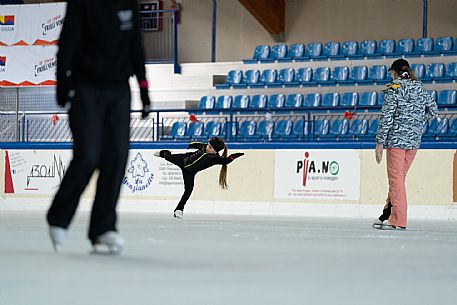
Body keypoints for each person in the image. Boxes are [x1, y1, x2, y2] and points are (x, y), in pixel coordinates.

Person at [46, 0, 151, 254]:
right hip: (86, 88)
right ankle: (58, 217)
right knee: (89, 155)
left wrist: (144, 90)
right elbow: (68, 41)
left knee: (116, 157)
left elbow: (135, 45)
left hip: (119, 90)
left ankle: (103, 228)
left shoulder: (129, 3)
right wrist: (62, 84)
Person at [373, 58, 438, 230]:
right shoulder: (420, 88)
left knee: (395, 180)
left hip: (396, 141)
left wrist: (380, 143)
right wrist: (418, 121)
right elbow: (434, 110)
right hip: (414, 141)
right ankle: (387, 213)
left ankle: (398, 220)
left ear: (394, 73)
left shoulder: (394, 90)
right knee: (399, 179)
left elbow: (386, 118)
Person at [154, 137, 244, 219]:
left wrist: (234, 156)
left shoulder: (216, 159)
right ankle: (163, 152)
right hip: (183, 160)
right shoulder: (203, 147)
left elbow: (226, 161)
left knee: (188, 191)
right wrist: (190, 144)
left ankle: (179, 209)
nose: (208, 148)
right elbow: (196, 144)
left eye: (211, 148)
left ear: (216, 151)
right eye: (208, 145)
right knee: (168, 156)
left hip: (189, 173)